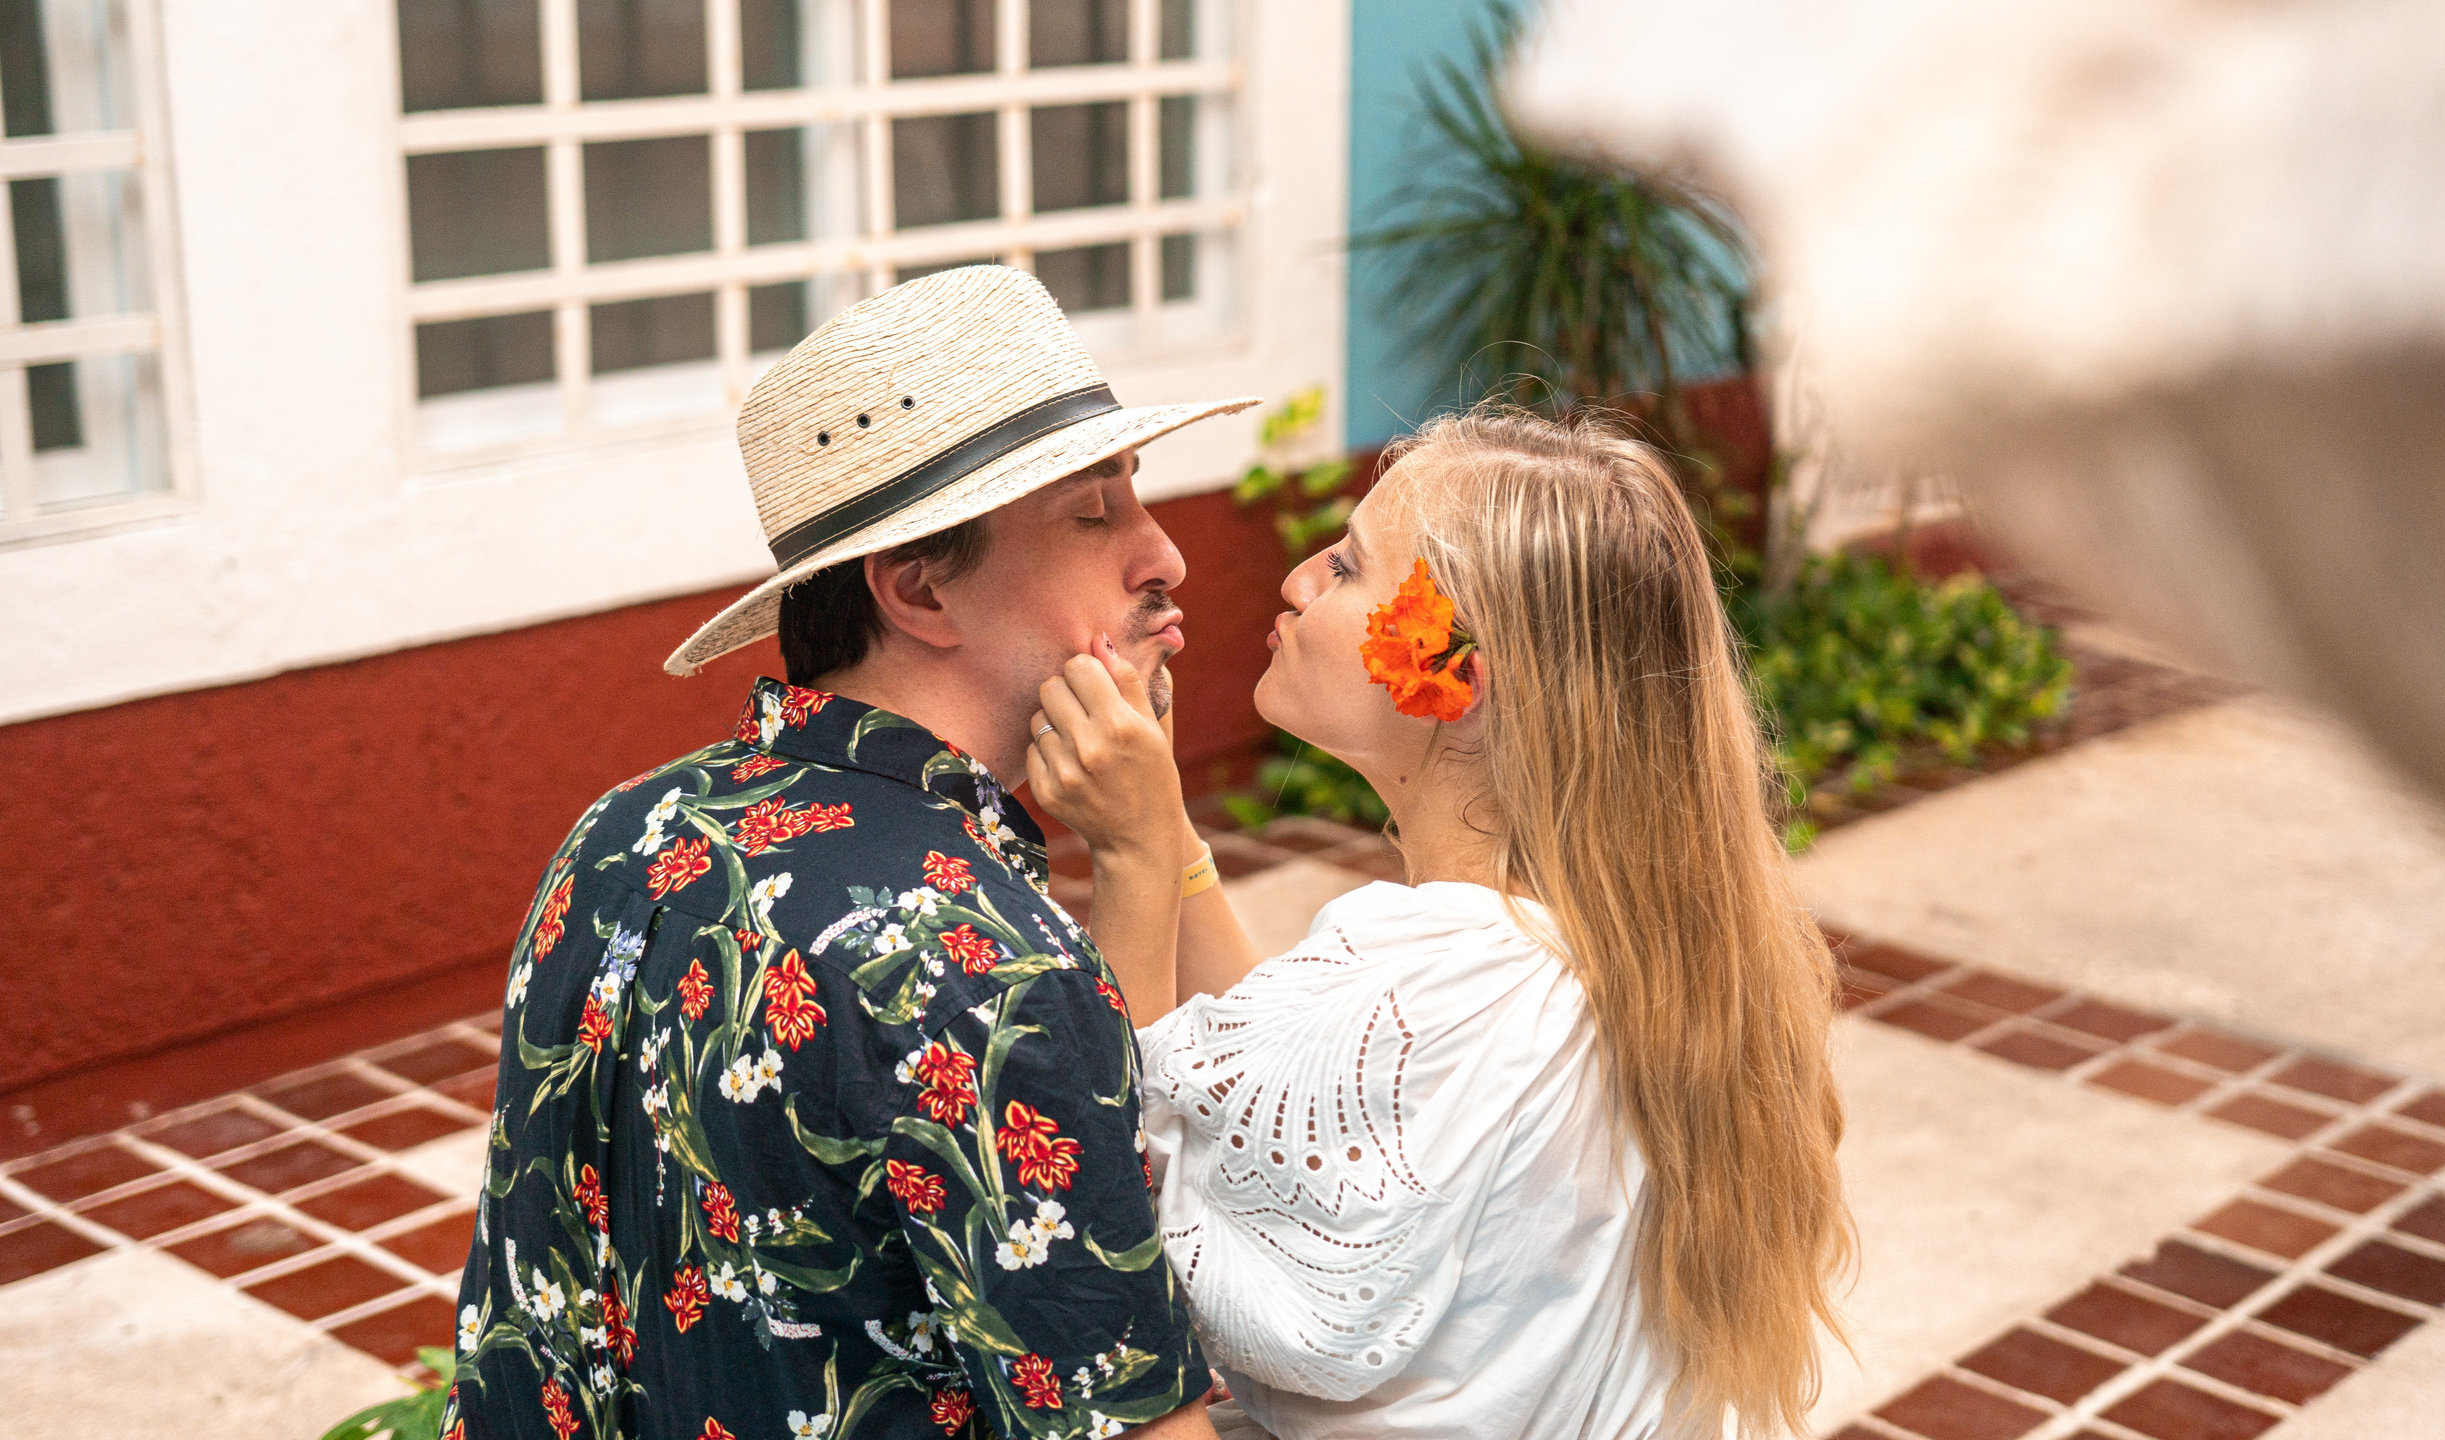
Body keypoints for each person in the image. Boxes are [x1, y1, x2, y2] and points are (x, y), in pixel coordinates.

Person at [441, 265, 1255, 1440]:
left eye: (1138, 495)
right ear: (920, 588)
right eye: (1093, 512)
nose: (1163, 554)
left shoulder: (622, 831)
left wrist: (1144, 849)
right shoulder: (976, 956)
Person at [1026, 408, 1856, 1439]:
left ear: (1455, 671)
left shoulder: (1441, 986)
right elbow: (1266, 1091)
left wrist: (1133, 856)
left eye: (1344, 566)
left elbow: (1109, 1193)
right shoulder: (1584, 939)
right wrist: (1175, 830)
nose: (1295, 580)